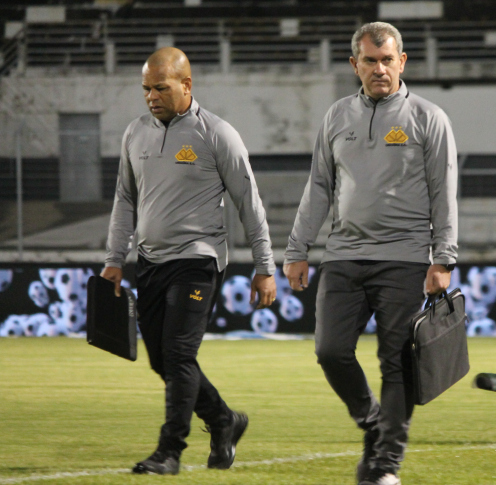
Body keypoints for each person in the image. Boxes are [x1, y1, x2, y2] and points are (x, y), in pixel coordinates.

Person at [283, 22, 458, 485]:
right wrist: (296, 249)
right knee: (330, 351)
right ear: (354, 65)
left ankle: (384, 466)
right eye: (369, 61)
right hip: (342, 254)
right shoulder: (337, 116)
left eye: (387, 60)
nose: (379, 69)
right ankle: (372, 421)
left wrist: (443, 258)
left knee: (396, 362)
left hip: (404, 257)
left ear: (402, 62)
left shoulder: (428, 117)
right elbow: (318, 187)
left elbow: (445, 193)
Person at [100, 47, 277, 475]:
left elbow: (248, 203)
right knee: (163, 360)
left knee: (178, 353)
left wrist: (264, 265)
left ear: (186, 84)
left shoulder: (217, 134)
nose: (151, 96)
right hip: (151, 263)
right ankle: (223, 420)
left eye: (160, 87)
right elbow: (125, 199)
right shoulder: (134, 133)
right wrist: (114, 259)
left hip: (198, 261)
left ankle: (170, 451)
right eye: (146, 88)